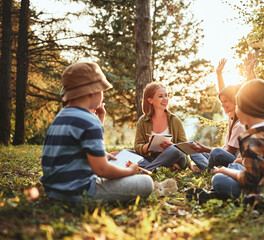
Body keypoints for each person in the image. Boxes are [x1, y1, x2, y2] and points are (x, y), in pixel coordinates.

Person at [40, 62, 154, 203]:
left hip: (53, 191)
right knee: (146, 183)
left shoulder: (61, 116)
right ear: (93, 91)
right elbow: (101, 170)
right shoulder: (89, 120)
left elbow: (77, 149)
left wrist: (102, 155)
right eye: (102, 90)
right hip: (80, 193)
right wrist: (130, 171)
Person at [188, 79, 264, 204]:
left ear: (246, 109)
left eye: (237, 105)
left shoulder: (254, 139)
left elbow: (248, 178)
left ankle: (219, 195)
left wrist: (224, 170)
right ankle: (218, 194)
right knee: (235, 165)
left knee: (219, 179)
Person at [189, 55, 257, 173]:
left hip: (234, 160)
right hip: (222, 155)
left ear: (236, 101)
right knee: (192, 149)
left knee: (216, 152)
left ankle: (207, 169)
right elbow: (224, 92)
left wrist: (205, 149)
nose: (223, 105)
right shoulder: (232, 115)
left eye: (226, 102)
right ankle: (208, 168)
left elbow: (228, 152)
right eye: (221, 102)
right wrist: (219, 74)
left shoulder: (240, 123)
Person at [133, 82, 188, 171]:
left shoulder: (175, 120)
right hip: (154, 158)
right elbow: (137, 147)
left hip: (175, 157)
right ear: (150, 100)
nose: (165, 99)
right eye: (160, 96)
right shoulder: (142, 121)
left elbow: (185, 148)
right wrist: (149, 146)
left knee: (175, 150)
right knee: (128, 153)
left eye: (166, 95)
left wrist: (172, 146)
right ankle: (157, 168)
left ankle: (147, 170)